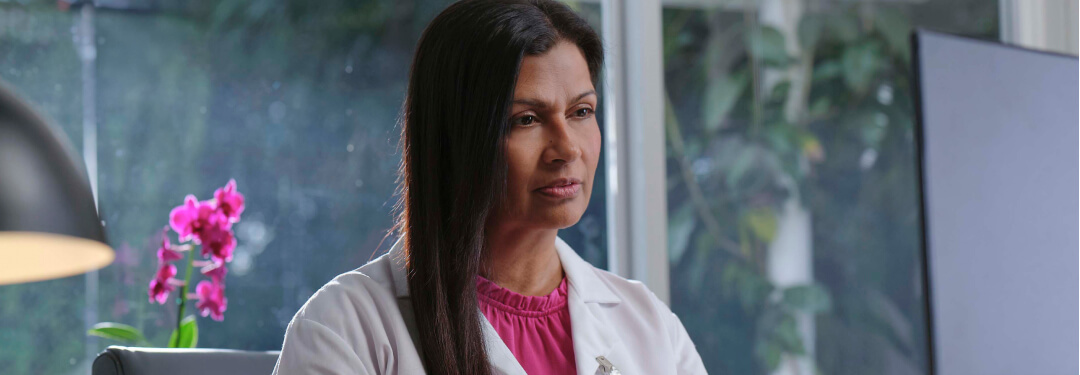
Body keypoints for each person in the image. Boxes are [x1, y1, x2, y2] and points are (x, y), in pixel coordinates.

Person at [272, 1, 707, 374]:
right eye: (527, 120)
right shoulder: (342, 329)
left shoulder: (648, 324)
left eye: (581, 111)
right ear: (456, 137)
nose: (566, 149)